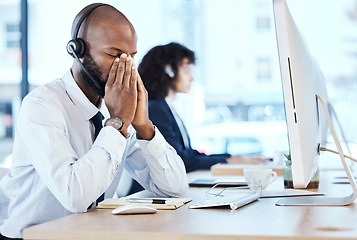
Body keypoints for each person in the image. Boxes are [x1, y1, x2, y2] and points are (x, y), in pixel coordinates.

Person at [0, 4, 187, 239]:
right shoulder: (41, 106)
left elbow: (175, 189)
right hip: (32, 237)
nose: (125, 68)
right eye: (113, 55)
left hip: (89, 233)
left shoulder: (115, 111)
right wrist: (117, 123)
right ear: (77, 50)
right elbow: (76, 197)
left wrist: (144, 126)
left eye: (131, 58)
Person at [128, 42, 268, 194]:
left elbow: (187, 154)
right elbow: (182, 160)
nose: (192, 78)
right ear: (169, 71)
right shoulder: (156, 109)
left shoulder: (166, 107)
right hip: (150, 195)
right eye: (187, 71)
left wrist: (229, 158)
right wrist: (227, 160)